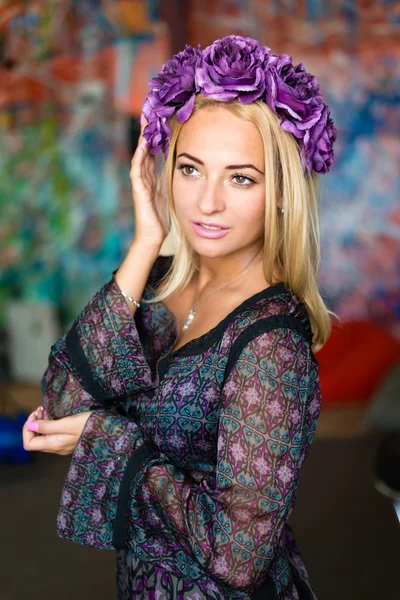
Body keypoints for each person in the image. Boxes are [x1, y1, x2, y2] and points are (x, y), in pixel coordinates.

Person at [22, 35, 337, 600]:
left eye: (241, 178)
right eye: (191, 169)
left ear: (282, 193)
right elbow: (62, 402)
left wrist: (110, 438)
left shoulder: (270, 348)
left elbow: (237, 559)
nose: (206, 202)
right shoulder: (164, 282)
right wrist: (147, 241)